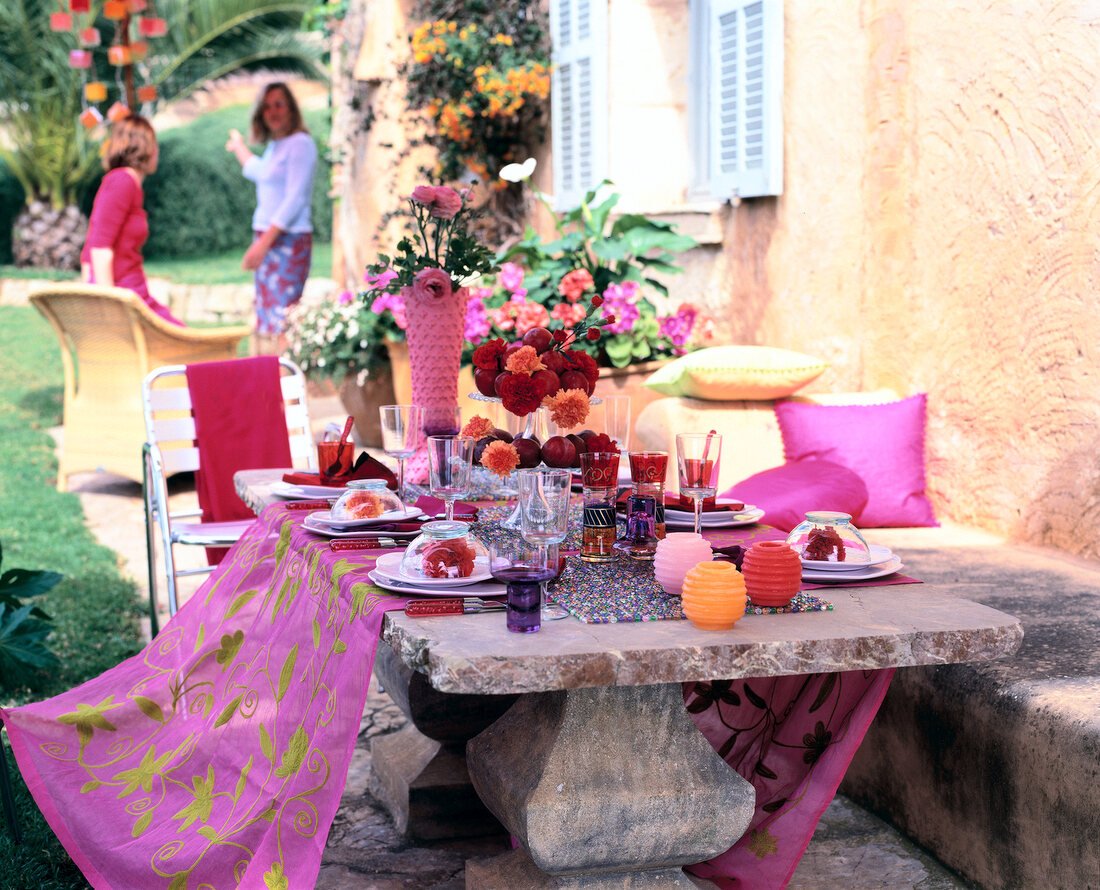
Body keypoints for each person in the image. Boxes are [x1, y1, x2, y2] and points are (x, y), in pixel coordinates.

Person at [226, 82, 318, 354]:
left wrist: (262, 244)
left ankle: (287, 392)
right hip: (268, 239)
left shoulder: (300, 144)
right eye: (267, 106)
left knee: (282, 321)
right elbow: (258, 171)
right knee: (267, 319)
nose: (272, 111)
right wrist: (239, 147)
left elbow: (295, 200)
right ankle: (269, 386)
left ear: (291, 108)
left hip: (287, 242)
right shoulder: (276, 147)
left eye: (279, 104)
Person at [81, 113, 183, 325]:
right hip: (124, 298)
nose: (158, 150)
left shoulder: (128, 183)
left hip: (133, 294)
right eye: (154, 143)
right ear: (146, 148)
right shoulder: (122, 181)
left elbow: (89, 252)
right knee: (191, 344)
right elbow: (98, 249)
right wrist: (109, 312)